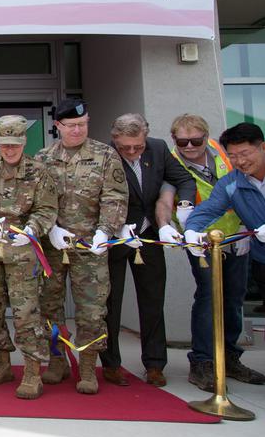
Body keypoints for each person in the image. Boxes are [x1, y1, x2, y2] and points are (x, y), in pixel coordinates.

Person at [36, 99, 127, 395]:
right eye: (71, 125)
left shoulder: (104, 155)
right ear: (57, 125)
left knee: (91, 309)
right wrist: (50, 227)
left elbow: (114, 196)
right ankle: (57, 358)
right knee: (49, 306)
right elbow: (36, 201)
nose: (77, 130)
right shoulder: (43, 157)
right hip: (53, 246)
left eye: (83, 124)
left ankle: (87, 365)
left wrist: (106, 231)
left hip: (90, 245)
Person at [161, 114, 258, 392]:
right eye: (182, 141)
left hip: (238, 236)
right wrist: (167, 226)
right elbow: (166, 200)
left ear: (207, 136)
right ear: (173, 139)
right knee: (208, 296)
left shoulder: (225, 154)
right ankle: (202, 361)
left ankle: (229, 357)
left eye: (196, 140)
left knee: (234, 297)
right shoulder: (172, 163)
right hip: (200, 240)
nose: (189, 146)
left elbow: (245, 188)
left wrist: (243, 225)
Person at [102, 113, 196, 388]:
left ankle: (155, 365)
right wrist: (113, 227)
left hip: (151, 235)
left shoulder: (158, 148)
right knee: (111, 302)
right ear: (114, 139)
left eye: (137, 147)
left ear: (146, 136)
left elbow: (183, 179)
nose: (131, 152)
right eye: (125, 147)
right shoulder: (104, 154)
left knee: (153, 301)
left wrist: (185, 206)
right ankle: (111, 364)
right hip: (116, 237)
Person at [0, 115, 57, 399]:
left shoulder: (38, 170)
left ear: (23, 142)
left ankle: (32, 371)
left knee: (26, 313)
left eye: (15, 144)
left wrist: (32, 230)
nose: (9, 150)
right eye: (4, 144)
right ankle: (2, 363)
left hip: (22, 252)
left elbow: (47, 209)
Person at [184, 121, 265, 389]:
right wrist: (191, 231)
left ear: (262, 147)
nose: (240, 161)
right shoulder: (231, 184)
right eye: (233, 155)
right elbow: (209, 209)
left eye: (245, 154)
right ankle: (213, 361)